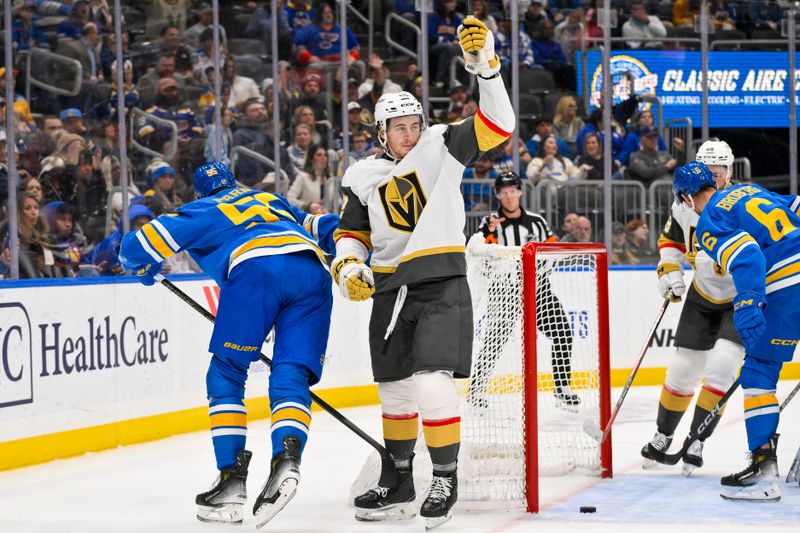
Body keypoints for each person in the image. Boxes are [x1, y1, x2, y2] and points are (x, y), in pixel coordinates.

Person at [333, 17, 514, 528]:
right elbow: (353, 234)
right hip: (390, 292)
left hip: (439, 283)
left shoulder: (441, 145)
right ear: (381, 133)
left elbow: (499, 125)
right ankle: (399, 479)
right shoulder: (362, 176)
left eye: (414, 123)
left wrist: (486, 70)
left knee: (433, 384)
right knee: (394, 390)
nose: (410, 134)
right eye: (399, 127)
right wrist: (349, 266)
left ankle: (445, 478)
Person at [118, 161, 339, 526]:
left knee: (226, 374)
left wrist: (140, 266)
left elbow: (136, 245)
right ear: (234, 183)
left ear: (201, 192)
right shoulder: (270, 200)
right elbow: (322, 225)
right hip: (312, 270)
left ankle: (230, 482)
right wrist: (352, 253)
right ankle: (287, 458)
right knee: (291, 374)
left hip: (256, 271)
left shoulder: (202, 209)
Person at [678, 161, 800, 502]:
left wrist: (748, 302)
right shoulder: (750, 190)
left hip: (788, 286)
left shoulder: (709, 221)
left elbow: (748, 257)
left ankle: (763, 471)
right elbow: (796, 205)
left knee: (759, 372)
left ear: (687, 198)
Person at [641, 141, 745, 476]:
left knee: (724, 364)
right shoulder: (682, 205)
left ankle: (697, 439)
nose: (713, 180)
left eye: (719, 173)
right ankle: (663, 435)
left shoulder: (745, 202)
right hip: (702, 295)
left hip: (741, 296)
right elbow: (670, 243)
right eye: (708, 173)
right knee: (683, 368)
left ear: (729, 173)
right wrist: (669, 272)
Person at [472, 171, 579, 407]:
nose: (509, 196)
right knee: (494, 340)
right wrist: (489, 232)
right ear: (498, 195)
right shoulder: (491, 223)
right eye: (504, 192)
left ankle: (562, 387)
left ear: (519, 191)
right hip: (505, 293)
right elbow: (481, 255)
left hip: (538, 290)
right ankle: (476, 390)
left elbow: (551, 249)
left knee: (562, 331)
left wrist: (542, 273)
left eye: (512, 191)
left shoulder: (536, 221)